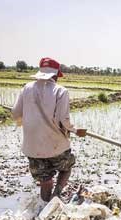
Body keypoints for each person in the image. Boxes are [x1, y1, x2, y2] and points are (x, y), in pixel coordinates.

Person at [11, 57, 87, 202]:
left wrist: (26, 119)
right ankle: (57, 194)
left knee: (45, 179)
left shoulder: (26, 88)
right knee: (66, 167)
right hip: (56, 146)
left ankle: (46, 205)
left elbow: (15, 114)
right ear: (56, 75)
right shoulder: (61, 91)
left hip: (32, 147)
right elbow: (64, 120)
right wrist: (75, 130)